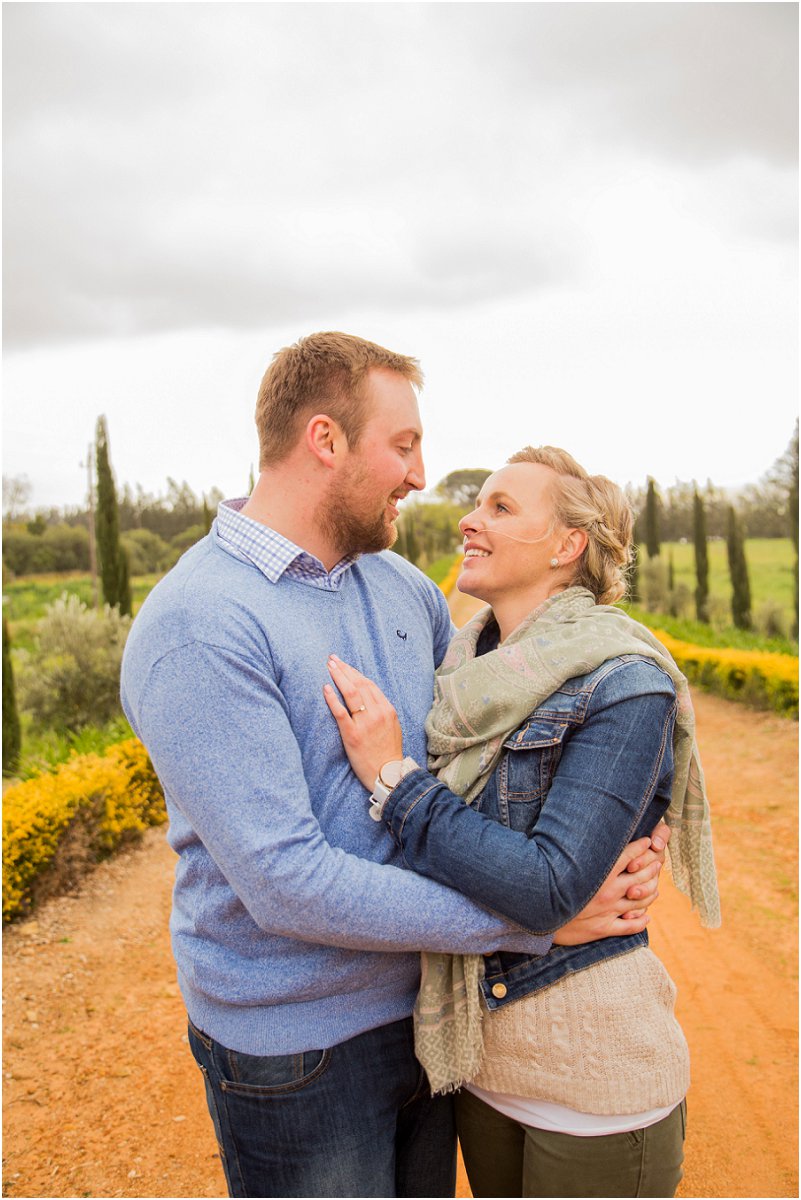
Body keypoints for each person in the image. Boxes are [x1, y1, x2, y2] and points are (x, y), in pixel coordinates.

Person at [121, 335, 670, 1200]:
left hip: (433, 1015)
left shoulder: (400, 588)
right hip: (301, 1047)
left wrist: (624, 825)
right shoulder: (201, 624)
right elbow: (286, 884)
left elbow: (495, 750)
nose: (420, 476)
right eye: (404, 445)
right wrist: (531, 924)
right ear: (326, 439)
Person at [324, 445, 721, 1199]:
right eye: (478, 503)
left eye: (501, 507)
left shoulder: (624, 682)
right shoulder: (459, 676)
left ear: (567, 545)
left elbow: (546, 888)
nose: (469, 521)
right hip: (483, 1074)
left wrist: (396, 782)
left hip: (596, 1081)